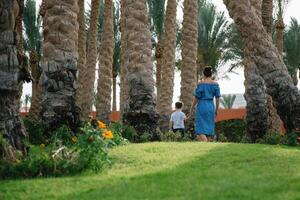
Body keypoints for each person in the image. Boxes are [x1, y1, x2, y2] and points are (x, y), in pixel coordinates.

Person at [188, 67, 221, 142]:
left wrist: (191, 108)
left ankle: (205, 143)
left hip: (202, 106)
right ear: (211, 74)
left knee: (200, 129)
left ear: (203, 74)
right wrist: (216, 110)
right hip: (211, 106)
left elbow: (196, 98)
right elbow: (217, 98)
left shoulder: (201, 84)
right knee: (209, 129)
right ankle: (207, 146)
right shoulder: (215, 84)